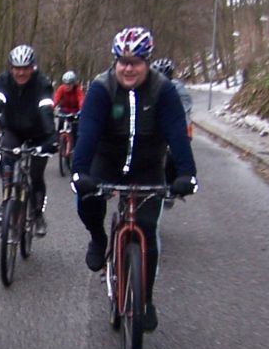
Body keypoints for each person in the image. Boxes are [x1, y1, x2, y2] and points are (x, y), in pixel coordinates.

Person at [71, 27, 198, 332]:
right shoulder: (102, 88)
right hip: (107, 160)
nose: (128, 68)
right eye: (122, 62)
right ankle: (99, 238)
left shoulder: (163, 90)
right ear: (115, 62)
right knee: (87, 201)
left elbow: (177, 134)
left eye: (136, 62)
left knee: (147, 230)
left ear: (147, 62)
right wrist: (80, 171)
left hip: (147, 165)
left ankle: (146, 299)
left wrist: (186, 173)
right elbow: (87, 132)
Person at [0, 44, 57, 236]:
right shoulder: (3, 82)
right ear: (11, 68)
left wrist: (51, 139)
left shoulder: (42, 83)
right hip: (13, 129)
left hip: (38, 132)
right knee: (6, 160)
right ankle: (5, 202)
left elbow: (46, 111)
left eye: (25, 68)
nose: (21, 73)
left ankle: (37, 214)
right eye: (16, 68)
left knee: (36, 175)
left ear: (33, 68)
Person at [151, 57, 193, 207]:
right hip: (155, 128)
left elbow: (184, 109)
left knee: (173, 155)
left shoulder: (178, 89)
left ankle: (170, 187)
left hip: (177, 126)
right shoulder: (149, 87)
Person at [52, 70, 85, 150]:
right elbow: (56, 99)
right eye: (65, 84)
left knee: (75, 128)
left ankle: (76, 147)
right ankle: (58, 142)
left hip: (75, 112)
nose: (67, 86)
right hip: (64, 110)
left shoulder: (78, 91)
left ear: (73, 84)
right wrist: (51, 108)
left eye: (69, 84)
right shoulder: (61, 89)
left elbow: (81, 101)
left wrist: (81, 110)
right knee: (60, 124)